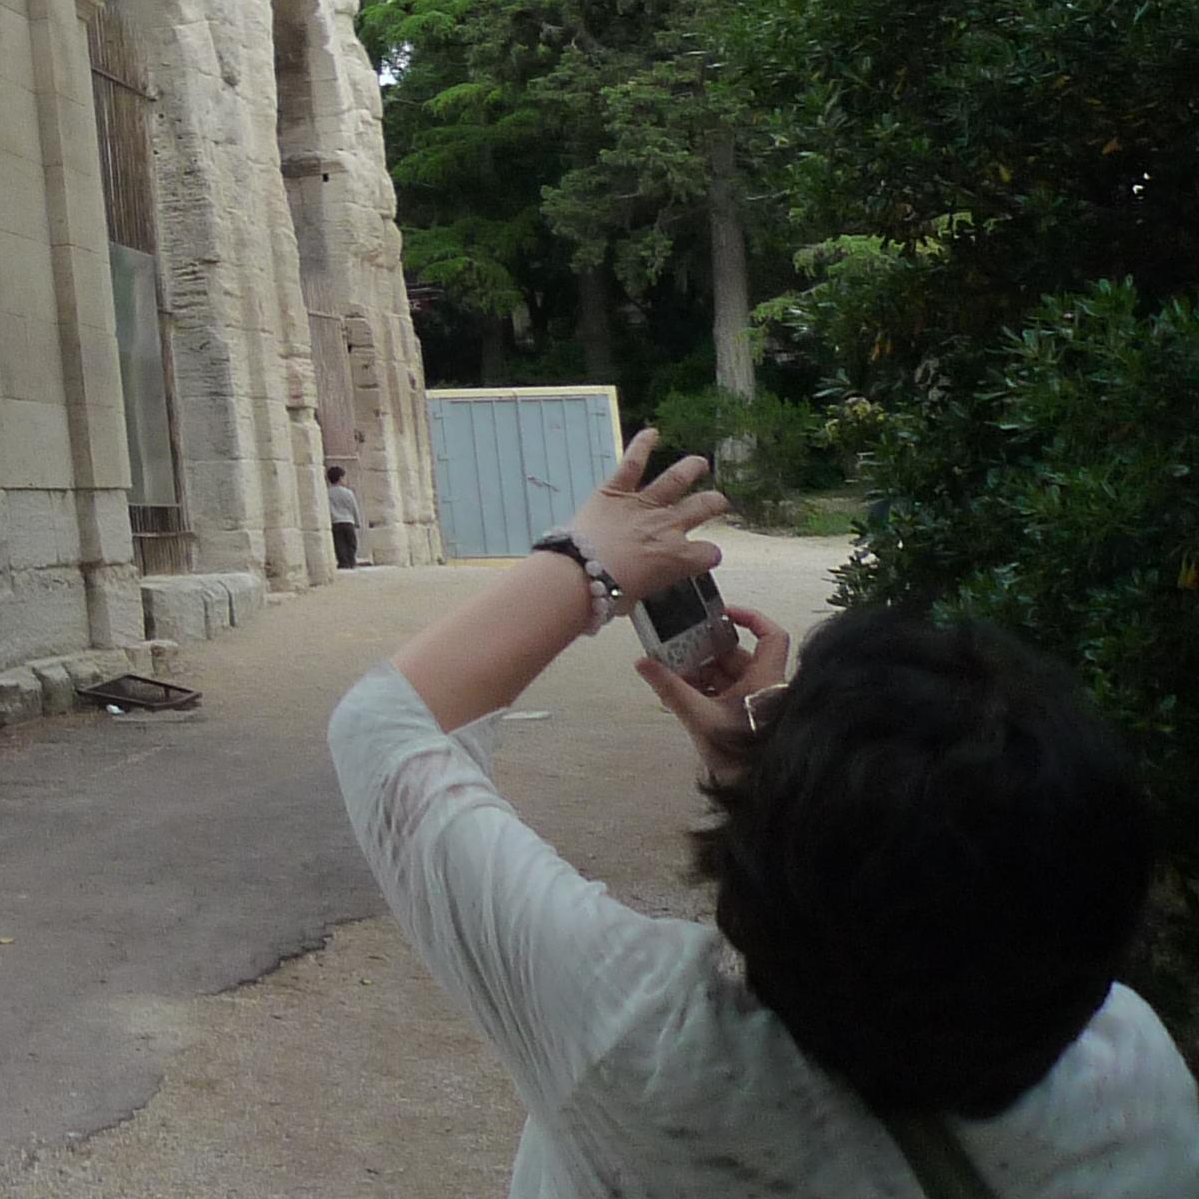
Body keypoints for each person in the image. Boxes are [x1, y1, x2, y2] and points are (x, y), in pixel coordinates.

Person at [328, 427, 1196, 1194]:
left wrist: (587, 560)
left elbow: (384, 731)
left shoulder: (644, 1045)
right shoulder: (1137, 1079)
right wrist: (773, 783)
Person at [326, 462, 363, 569]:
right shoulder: (348, 493)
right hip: (348, 521)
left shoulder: (328, 493)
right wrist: (357, 521)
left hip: (335, 521)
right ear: (341, 478)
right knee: (351, 543)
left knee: (339, 544)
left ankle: (343, 562)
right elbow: (354, 507)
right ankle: (351, 560)